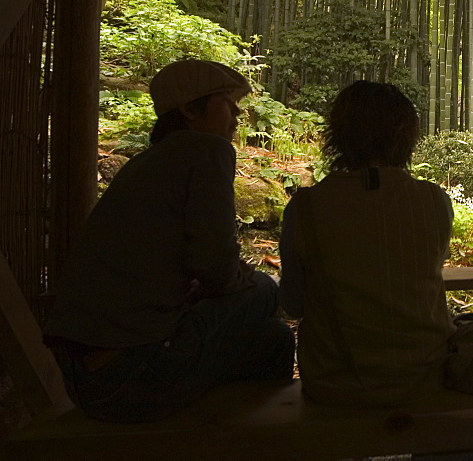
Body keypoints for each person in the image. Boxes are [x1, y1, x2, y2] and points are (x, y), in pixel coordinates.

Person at [44, 59, 295, 423]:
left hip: (85, 381)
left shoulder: (145, 164)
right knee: (265, 289)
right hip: (134, 370)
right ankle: (265, 446)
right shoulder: (206, 152)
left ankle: (232, 437)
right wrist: (226, 277)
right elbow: (216, 266)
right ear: (191, 109)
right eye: (227, 100)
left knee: (275, 338)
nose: (237, 113)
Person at [279, 80, 455, 406]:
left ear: (337, 136)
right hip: (427, 376)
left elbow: (293, 302)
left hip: (336, 382)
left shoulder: (306, 208)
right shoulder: (435, 201)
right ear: (406, 137)